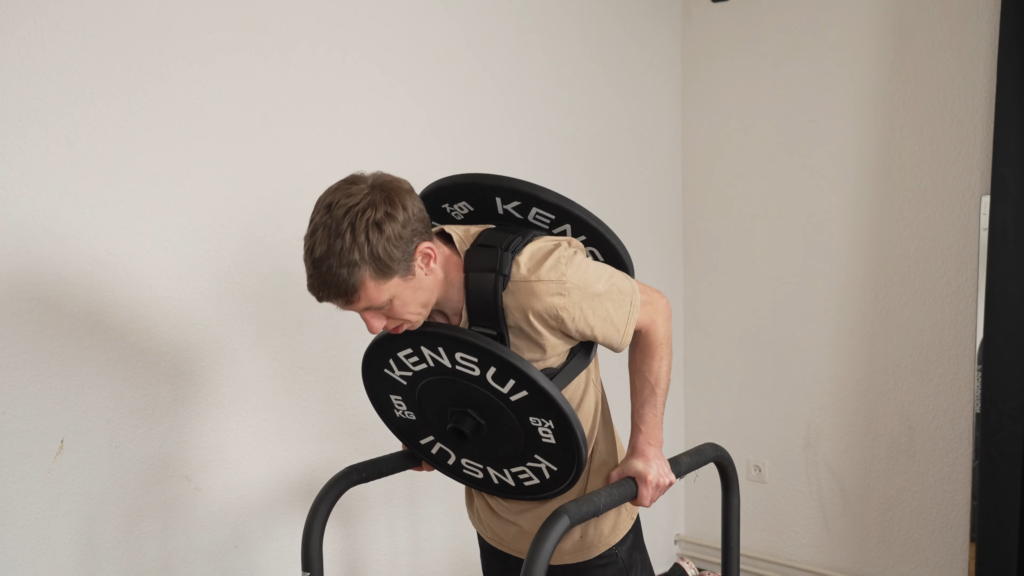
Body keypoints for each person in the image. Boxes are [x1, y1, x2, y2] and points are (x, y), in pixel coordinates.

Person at [303, 171, 675, 576]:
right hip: (496, 527)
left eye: (381, 305)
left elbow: (654, 313)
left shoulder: (544, 281)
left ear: (425, 259)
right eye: (359, 313)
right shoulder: (408, 312)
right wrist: (433, 434)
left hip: (583, 529)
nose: (373, 327)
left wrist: (648, 447)